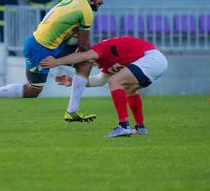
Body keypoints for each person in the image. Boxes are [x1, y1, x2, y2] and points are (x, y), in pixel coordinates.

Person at [0, 0, 107, 123]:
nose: (102, 2)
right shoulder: (86, 11)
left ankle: (72, 112)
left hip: (50, 45)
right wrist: (94, 56)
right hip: (39, 48)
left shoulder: (72, 0)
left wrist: (83, 53)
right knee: (32, 91)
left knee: (85, 62)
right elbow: (84, 44)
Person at [40, 36, 168, 138]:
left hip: (152, 58)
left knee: (115, 81)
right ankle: (140, 128)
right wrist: (72, 81)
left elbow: (84, 56)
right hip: (155, 61)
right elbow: (100, 80)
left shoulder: (100, 48)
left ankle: (123, 126)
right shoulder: (106, 62)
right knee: (129, 89)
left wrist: (56, 62)